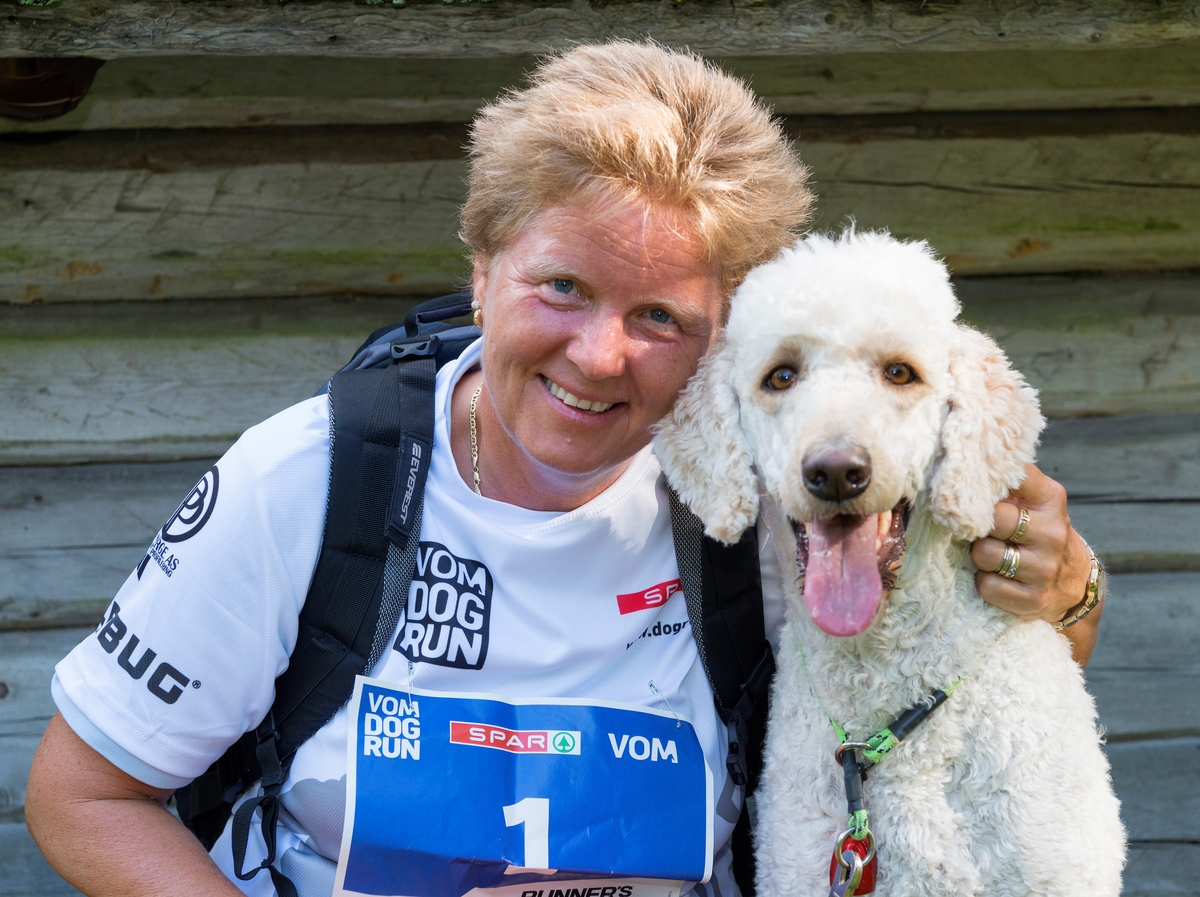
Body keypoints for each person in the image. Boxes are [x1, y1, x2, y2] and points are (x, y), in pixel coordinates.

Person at [26, 41, 1103, 897]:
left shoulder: (781, 491)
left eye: (660, 317)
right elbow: (82, 796)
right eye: (561, 288)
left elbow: (1011, 654)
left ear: (723, 335)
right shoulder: (307, 482)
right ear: (483, 268)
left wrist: (1070, 584)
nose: (599, 355)